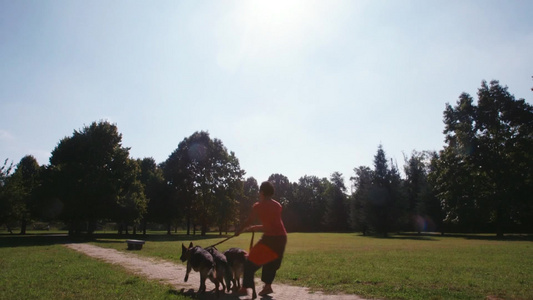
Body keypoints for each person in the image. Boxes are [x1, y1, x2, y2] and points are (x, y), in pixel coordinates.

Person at [235, 181, 287, 297]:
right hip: (281, 238)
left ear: (262, 192)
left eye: (259, 192)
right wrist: (256, 227)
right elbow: (272, 225)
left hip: (270, 238)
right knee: (271, 262)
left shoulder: (258, 206)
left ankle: (244, 288)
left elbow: (249, 220)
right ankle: (267, 286)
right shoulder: (278, 205)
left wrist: (239, 230)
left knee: (250, 261)